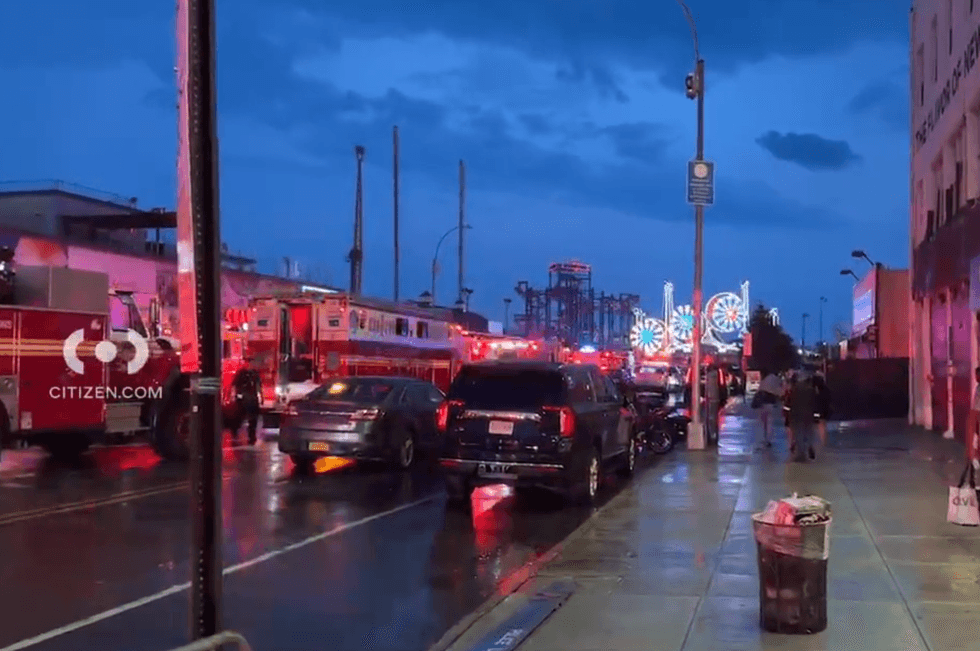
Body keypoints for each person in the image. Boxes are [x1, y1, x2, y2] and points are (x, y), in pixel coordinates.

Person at [785, 370, 820, 462]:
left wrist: (788, 415)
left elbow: (789, 403)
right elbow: (815, 403)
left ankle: (801, 454)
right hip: (808, 414)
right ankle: (809, 445)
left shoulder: (794, 389)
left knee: (799, 434)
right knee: (808, 432)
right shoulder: (811, 389)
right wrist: (816, 416)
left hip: (796, 414)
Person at [230, 363, 262, 445]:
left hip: (249, 398)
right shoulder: (243, 374)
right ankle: (237, 432)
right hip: (246, 398)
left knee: (251, 419)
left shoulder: (252, 374)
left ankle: (251, 436)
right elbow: (235, 385)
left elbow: (258, 386)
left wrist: (259, 396)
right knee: (241, 417)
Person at [754, 369, 783, 447]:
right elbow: (779, 392)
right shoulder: (776, 379)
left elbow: (759, 390)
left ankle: (764, 438)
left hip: (762, 402)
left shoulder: (765, 379)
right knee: (770, 421)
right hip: (770, 402)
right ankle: (768, 439)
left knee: (763, 422)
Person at [813, 371, 831, 449]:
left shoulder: (814, 389)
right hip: (824, 409)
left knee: (817, 425)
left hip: (816, 409)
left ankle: (820, 442)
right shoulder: (825, 388)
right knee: (822, 424)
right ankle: (823, 442)